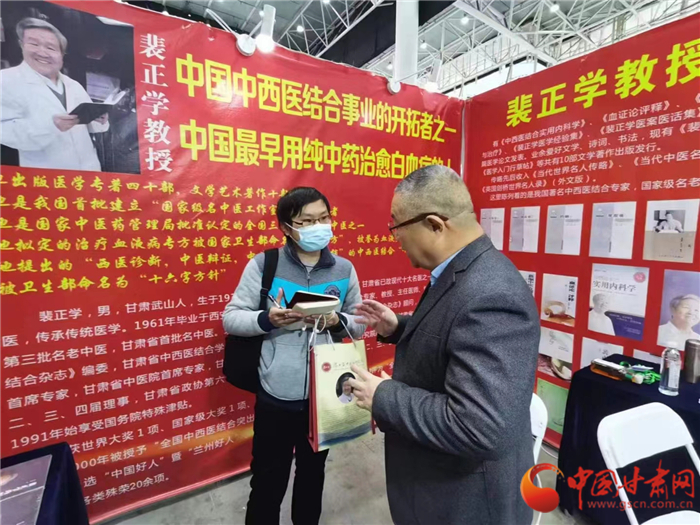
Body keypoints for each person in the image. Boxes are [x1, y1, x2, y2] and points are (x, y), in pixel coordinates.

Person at [349, 165, 539, 525]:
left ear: (435, 224)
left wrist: (383, 395)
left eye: (397, 226)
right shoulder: (464, 270)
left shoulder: (490, 293)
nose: (395, 238)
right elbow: (454, 335)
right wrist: (399, 327)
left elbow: (480, 426)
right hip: (435, 481)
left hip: (466, 501)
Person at [223, 187, 364, 525]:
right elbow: (231, 317)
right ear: (287, 227)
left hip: (324, 396)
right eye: (307, 221)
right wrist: (267, 319)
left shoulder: (344, 269)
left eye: (324, 218)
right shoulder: (265, 265)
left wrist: (337, 321)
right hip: (276, 393)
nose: (319, 227)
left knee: (312, 477)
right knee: (268, 481)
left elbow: (359, 324)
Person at [1, 18, 109, 171]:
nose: (42, 52)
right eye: (34, 44)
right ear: (21, 45)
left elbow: (91, 128)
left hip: (88, 170)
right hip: (46, 174)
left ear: (61, 55)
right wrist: (51, 126)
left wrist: (99, 119)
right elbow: (4, 131)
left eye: (51, 48)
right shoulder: (6, 80)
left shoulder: (73, 85)